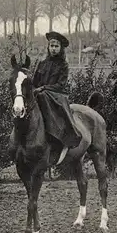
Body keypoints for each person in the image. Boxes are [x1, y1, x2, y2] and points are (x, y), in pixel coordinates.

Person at [33, 31, 82, 161]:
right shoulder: (42, 64)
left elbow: (61, 85)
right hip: (40, 93)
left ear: (60, 49)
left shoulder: (63, 65)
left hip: (57, 96)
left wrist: (43, 88)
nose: (53, 49)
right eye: (51, 46)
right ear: (48, 47)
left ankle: (56, 137)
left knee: (42, 96)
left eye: (56, 46)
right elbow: (34, 82)